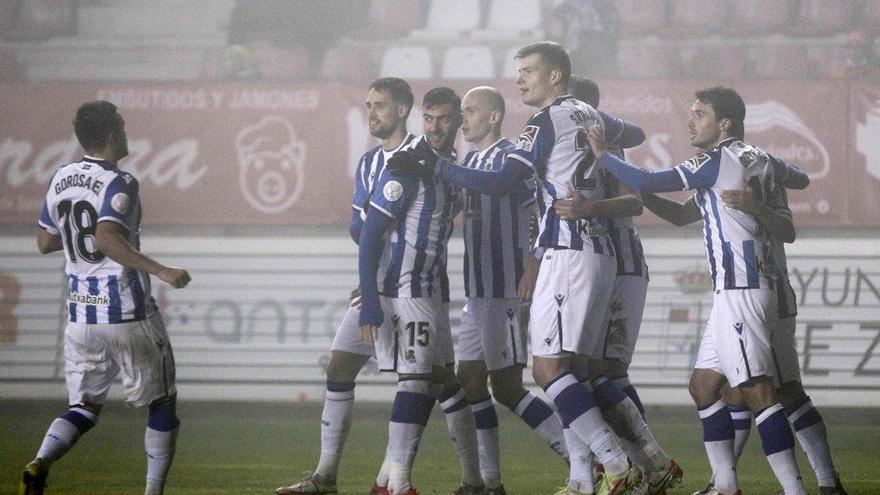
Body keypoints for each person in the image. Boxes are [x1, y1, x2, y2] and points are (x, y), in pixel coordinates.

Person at [387, 41, 647, 495]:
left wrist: (436, 169)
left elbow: (511, 187)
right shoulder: (586, 116)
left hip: (551, 262)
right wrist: (601, 140)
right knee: (527, 375)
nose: (521, 78)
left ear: (555, 77)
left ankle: (612, 464)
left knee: (544, 374)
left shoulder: (538, 125)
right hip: (559, 262)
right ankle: (529, 478)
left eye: (528, 71)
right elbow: (638, 134)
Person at [585, 86, 808, 495]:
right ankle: (725, 486)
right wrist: (643, 194)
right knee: (704, 387)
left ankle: (795, 490)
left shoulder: (716, 159)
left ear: (724, 123)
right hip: (739, 290)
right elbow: (681, 214)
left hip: (742, 289)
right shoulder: (748, 162)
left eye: (699, 113)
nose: (690, 120)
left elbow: (650, 176)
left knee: (759, 392)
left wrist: (605, 156)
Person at [21, 100, 191, 495]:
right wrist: (162, 271)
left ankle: (40, 462)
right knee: (162, 403)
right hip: (125, 312)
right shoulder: (121, 181)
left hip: (81, 317)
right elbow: (105, 238)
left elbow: (45, 241)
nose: (128, 132)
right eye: (124, 126)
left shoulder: (61, 177)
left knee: (84, 407)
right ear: (113, 135)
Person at [275, 77, 417, 495]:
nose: (372, 112)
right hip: (374, 286)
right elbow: (361, 228)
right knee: (339, 366)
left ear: (404, 109)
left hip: (411, 288)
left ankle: (434, 478)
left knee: (431, 382)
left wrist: (377, 239)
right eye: (369, 105)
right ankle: (325, 477)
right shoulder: (369, 162)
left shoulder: (417, 158)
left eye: (382, 106)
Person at [554, 75, 682, 495]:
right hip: (591, 262)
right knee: (578, 370)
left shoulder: (607, 146)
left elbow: (633, 201)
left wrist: (589, 206)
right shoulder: (563, 149)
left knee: (604, 373)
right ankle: (590, 476)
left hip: (620, 262)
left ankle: (648, 465)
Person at [359, 87, 487, 495]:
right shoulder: (407, 167)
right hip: (405, 288)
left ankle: (471, 482)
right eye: (429, 119)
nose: (435, 127)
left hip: (432, 290)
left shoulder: (450, 168)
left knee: (446, 383)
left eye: (445, 119)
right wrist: (369, 300)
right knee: (413, 383)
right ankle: (399, 485)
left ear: (458, 123)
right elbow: (369, 235)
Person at [691, 171, 848, 495]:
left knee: (751, 391)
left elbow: (788, 228)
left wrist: (755, 205)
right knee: (770, 391)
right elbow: (801, 181)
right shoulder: (759, 177)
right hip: (769, 293)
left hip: (752, 292)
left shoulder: (744, 179)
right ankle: (828, 482)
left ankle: (780, 489)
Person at [454, 85, 569, 495]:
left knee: (506, 387)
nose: (462, 118)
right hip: (477, 291)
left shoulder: (509, 158)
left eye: (470, 111)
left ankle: (579, 459)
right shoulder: (471, 159)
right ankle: (488, 482)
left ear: (493, 116)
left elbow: (535, 209)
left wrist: (533, 265)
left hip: (504, 288)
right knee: (468, 380)